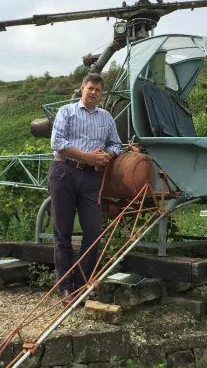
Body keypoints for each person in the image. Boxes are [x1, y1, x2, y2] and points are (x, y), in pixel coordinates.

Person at [49, 72, 122, 303]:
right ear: (82, 88)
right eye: (90, 88)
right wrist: (89, 157)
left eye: (98, 90)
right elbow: (58, 143)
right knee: (63, 232)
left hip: (91, 178)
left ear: (101, 94)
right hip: (64, 172)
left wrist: (108, 155)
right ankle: (65, 288)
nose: (93, 92)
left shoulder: (106, 117)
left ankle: (82, 285)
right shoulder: (66, 112)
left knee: (94, 230)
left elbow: (116, 143)